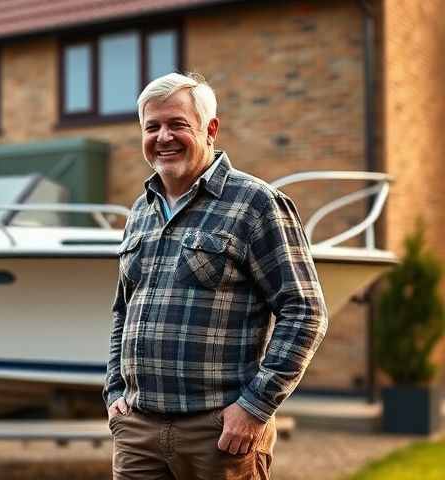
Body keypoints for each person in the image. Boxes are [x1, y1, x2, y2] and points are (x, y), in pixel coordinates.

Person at [103, 72, 328, 480]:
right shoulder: (140, 211)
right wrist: (115, 391)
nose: (163, 136)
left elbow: (304, 311)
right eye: (152, 127)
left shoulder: (256, 203)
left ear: (211, 129)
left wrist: (254, 408)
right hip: (138, 431)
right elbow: (123, 309)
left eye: (177, 124)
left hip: (219, 435)